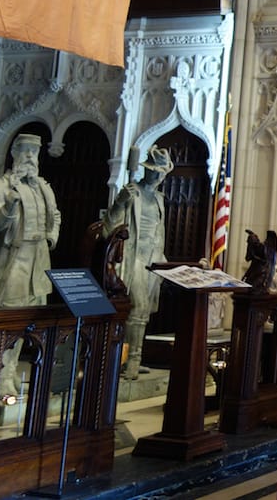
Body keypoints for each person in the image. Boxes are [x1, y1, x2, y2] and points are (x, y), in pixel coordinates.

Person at [0, 132, 62, 400]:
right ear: (13, 153)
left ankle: (11, 371)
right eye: (23, 150)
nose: (29, 157)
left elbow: (55, 216)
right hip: (14, 259)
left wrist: (51, 235)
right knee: (7, 317)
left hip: (38, 259)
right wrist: (9, 206)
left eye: (33, 152)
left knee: (29, 319)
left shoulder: (43, 187)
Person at [105, 146, 173, 379]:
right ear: (147, 171)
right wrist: (120, 201)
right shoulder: (132, 193)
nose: (158, 176)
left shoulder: (160, 199)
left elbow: (159, 232)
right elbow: (109, 223)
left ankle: (134, 357)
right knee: (138, 307)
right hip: (133, 255)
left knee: (144, 313)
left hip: (153, 259)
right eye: (155, 171)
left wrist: (163, 261)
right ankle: (130, 361)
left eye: (162, 172)